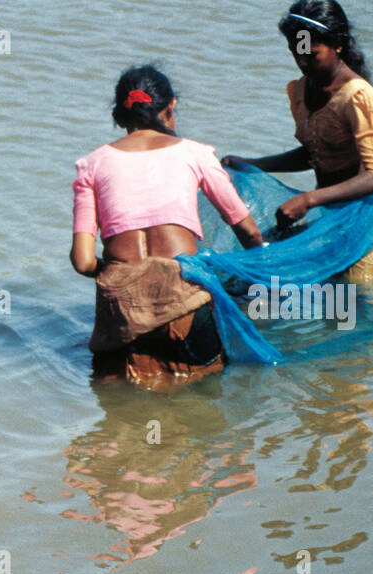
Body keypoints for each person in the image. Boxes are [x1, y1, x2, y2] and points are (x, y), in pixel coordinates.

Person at [71, 65, 264, 386]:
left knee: (121, 406)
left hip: (123, 312)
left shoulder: (91, 165)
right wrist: (260, 273)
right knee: (207, 394)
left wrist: (119, 270)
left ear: (119, 116)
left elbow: (83, 261)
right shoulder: (197, 154)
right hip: (183, 306)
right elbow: (248, 231)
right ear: (170, 108)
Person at [222, 0, 373, 281]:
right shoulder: (299, 90)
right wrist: (251, 164)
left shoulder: (358, 96)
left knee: (359, 302)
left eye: (312, 53)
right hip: (332, 216)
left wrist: (308, 199)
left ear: (338, 45)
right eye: (296, 53)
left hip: (371, 219)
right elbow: (313, 154)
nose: (303, 62)